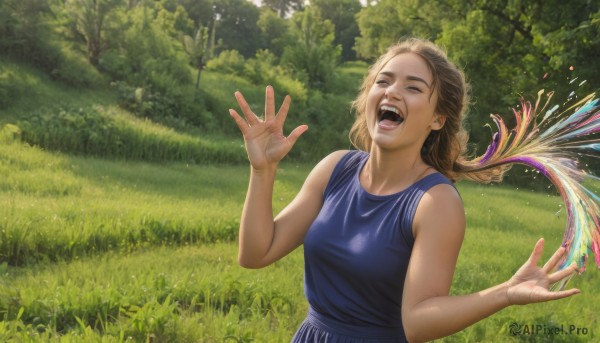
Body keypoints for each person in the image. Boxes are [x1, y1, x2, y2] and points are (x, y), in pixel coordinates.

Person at [228, 38, 581, 343]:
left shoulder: (434, 202)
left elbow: (417, 323)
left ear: (437, 119)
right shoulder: (335, 169)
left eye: (413, 87)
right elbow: (256, 254)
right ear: (369, 98)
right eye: (383, 81)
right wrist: (263, 170)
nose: (392, 91)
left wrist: (505, 292)